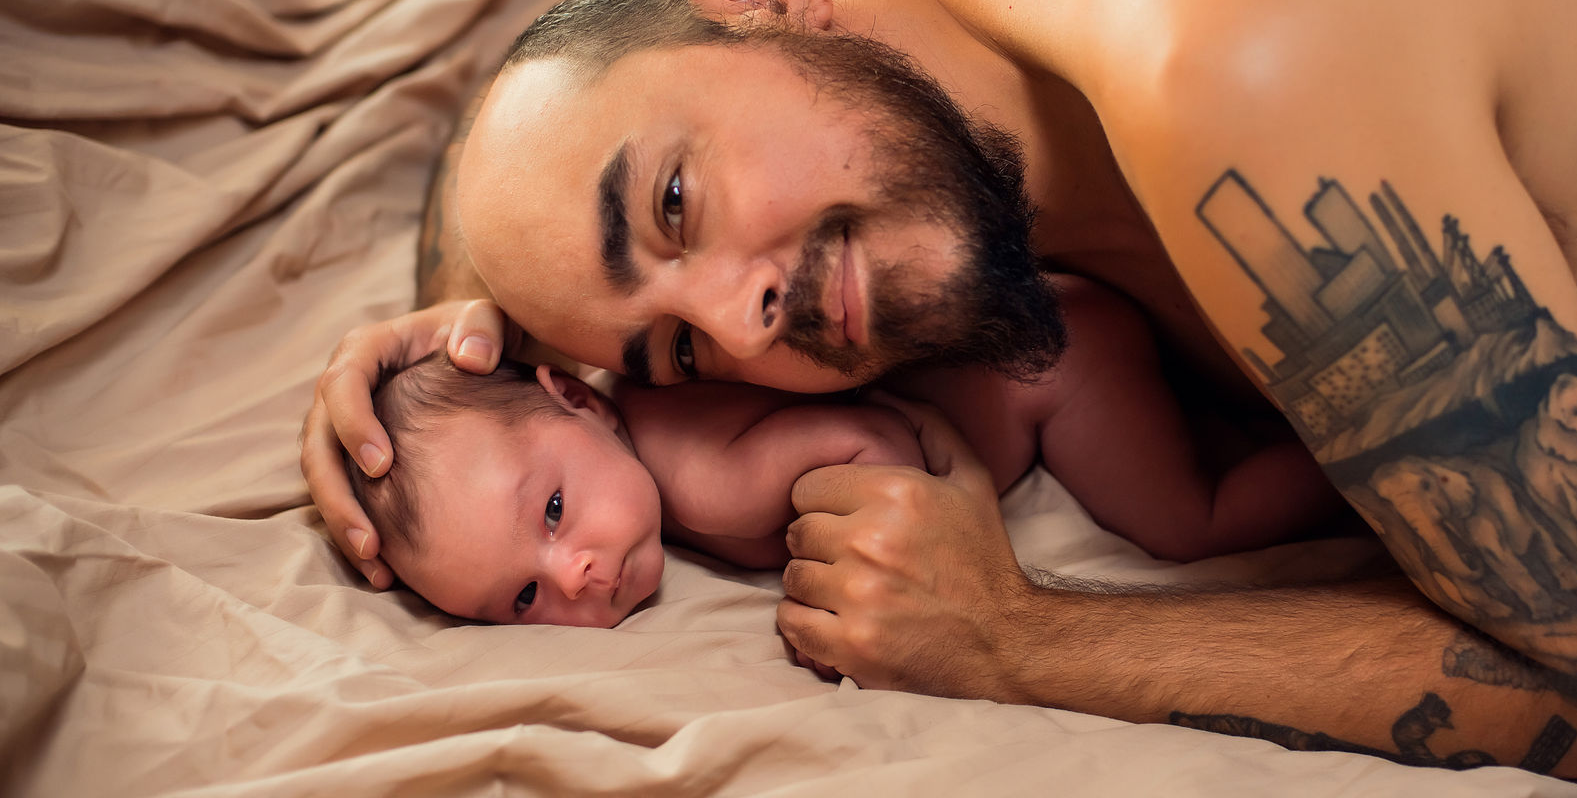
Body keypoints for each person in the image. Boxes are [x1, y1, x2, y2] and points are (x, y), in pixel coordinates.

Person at [301, 0, 1577, 775]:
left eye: (675, 206)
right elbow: (579, 122)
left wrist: (1012, 636)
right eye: (672, 355)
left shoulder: (1228, 63)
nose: (739, 318)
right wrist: (444, 364)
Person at [349, 277, 1342, 626]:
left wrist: (864, 559)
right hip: (1034, 323)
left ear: (576, 399)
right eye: (524, 600)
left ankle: (1357, 459)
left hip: (1051, 365)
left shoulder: (706, 480)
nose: (577, 576)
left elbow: (872, 441)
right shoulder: (627, 426)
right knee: (1216, 425)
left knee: (1188, 519)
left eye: (555, 515)